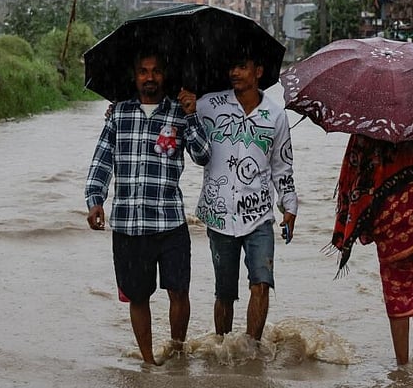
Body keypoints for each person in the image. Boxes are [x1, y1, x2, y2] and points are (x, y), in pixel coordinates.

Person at [84, 52, 211, 366]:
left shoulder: (180, 113)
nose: (150, 77)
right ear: (135, 76)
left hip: (170, 222)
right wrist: (95, 199)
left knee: (179, 291)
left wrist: (192, 114)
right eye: (143, 71)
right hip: (128, 225)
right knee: (138, 297)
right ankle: (148, 360)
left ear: (164, 75)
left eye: (155, 71)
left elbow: (204, 156)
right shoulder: (119, 114)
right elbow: (101, 160)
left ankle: (178, 352)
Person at [194, 56, 298, 342]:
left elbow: (282, 165)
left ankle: (251, 349)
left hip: (259, 215)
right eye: (232, 66)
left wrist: (289, 206)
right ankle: (223, 348)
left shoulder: (276, 116)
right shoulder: (209, 106)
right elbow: (178, 115)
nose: (235, 72)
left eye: (242, 66)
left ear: (259, 71)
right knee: (224, 292)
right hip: (220, 214)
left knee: (261, 283)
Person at [330, 134, 413, 367]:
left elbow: (358, 172)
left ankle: (402, 367)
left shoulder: (371, 126)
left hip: (390, 218)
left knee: (396, 290)